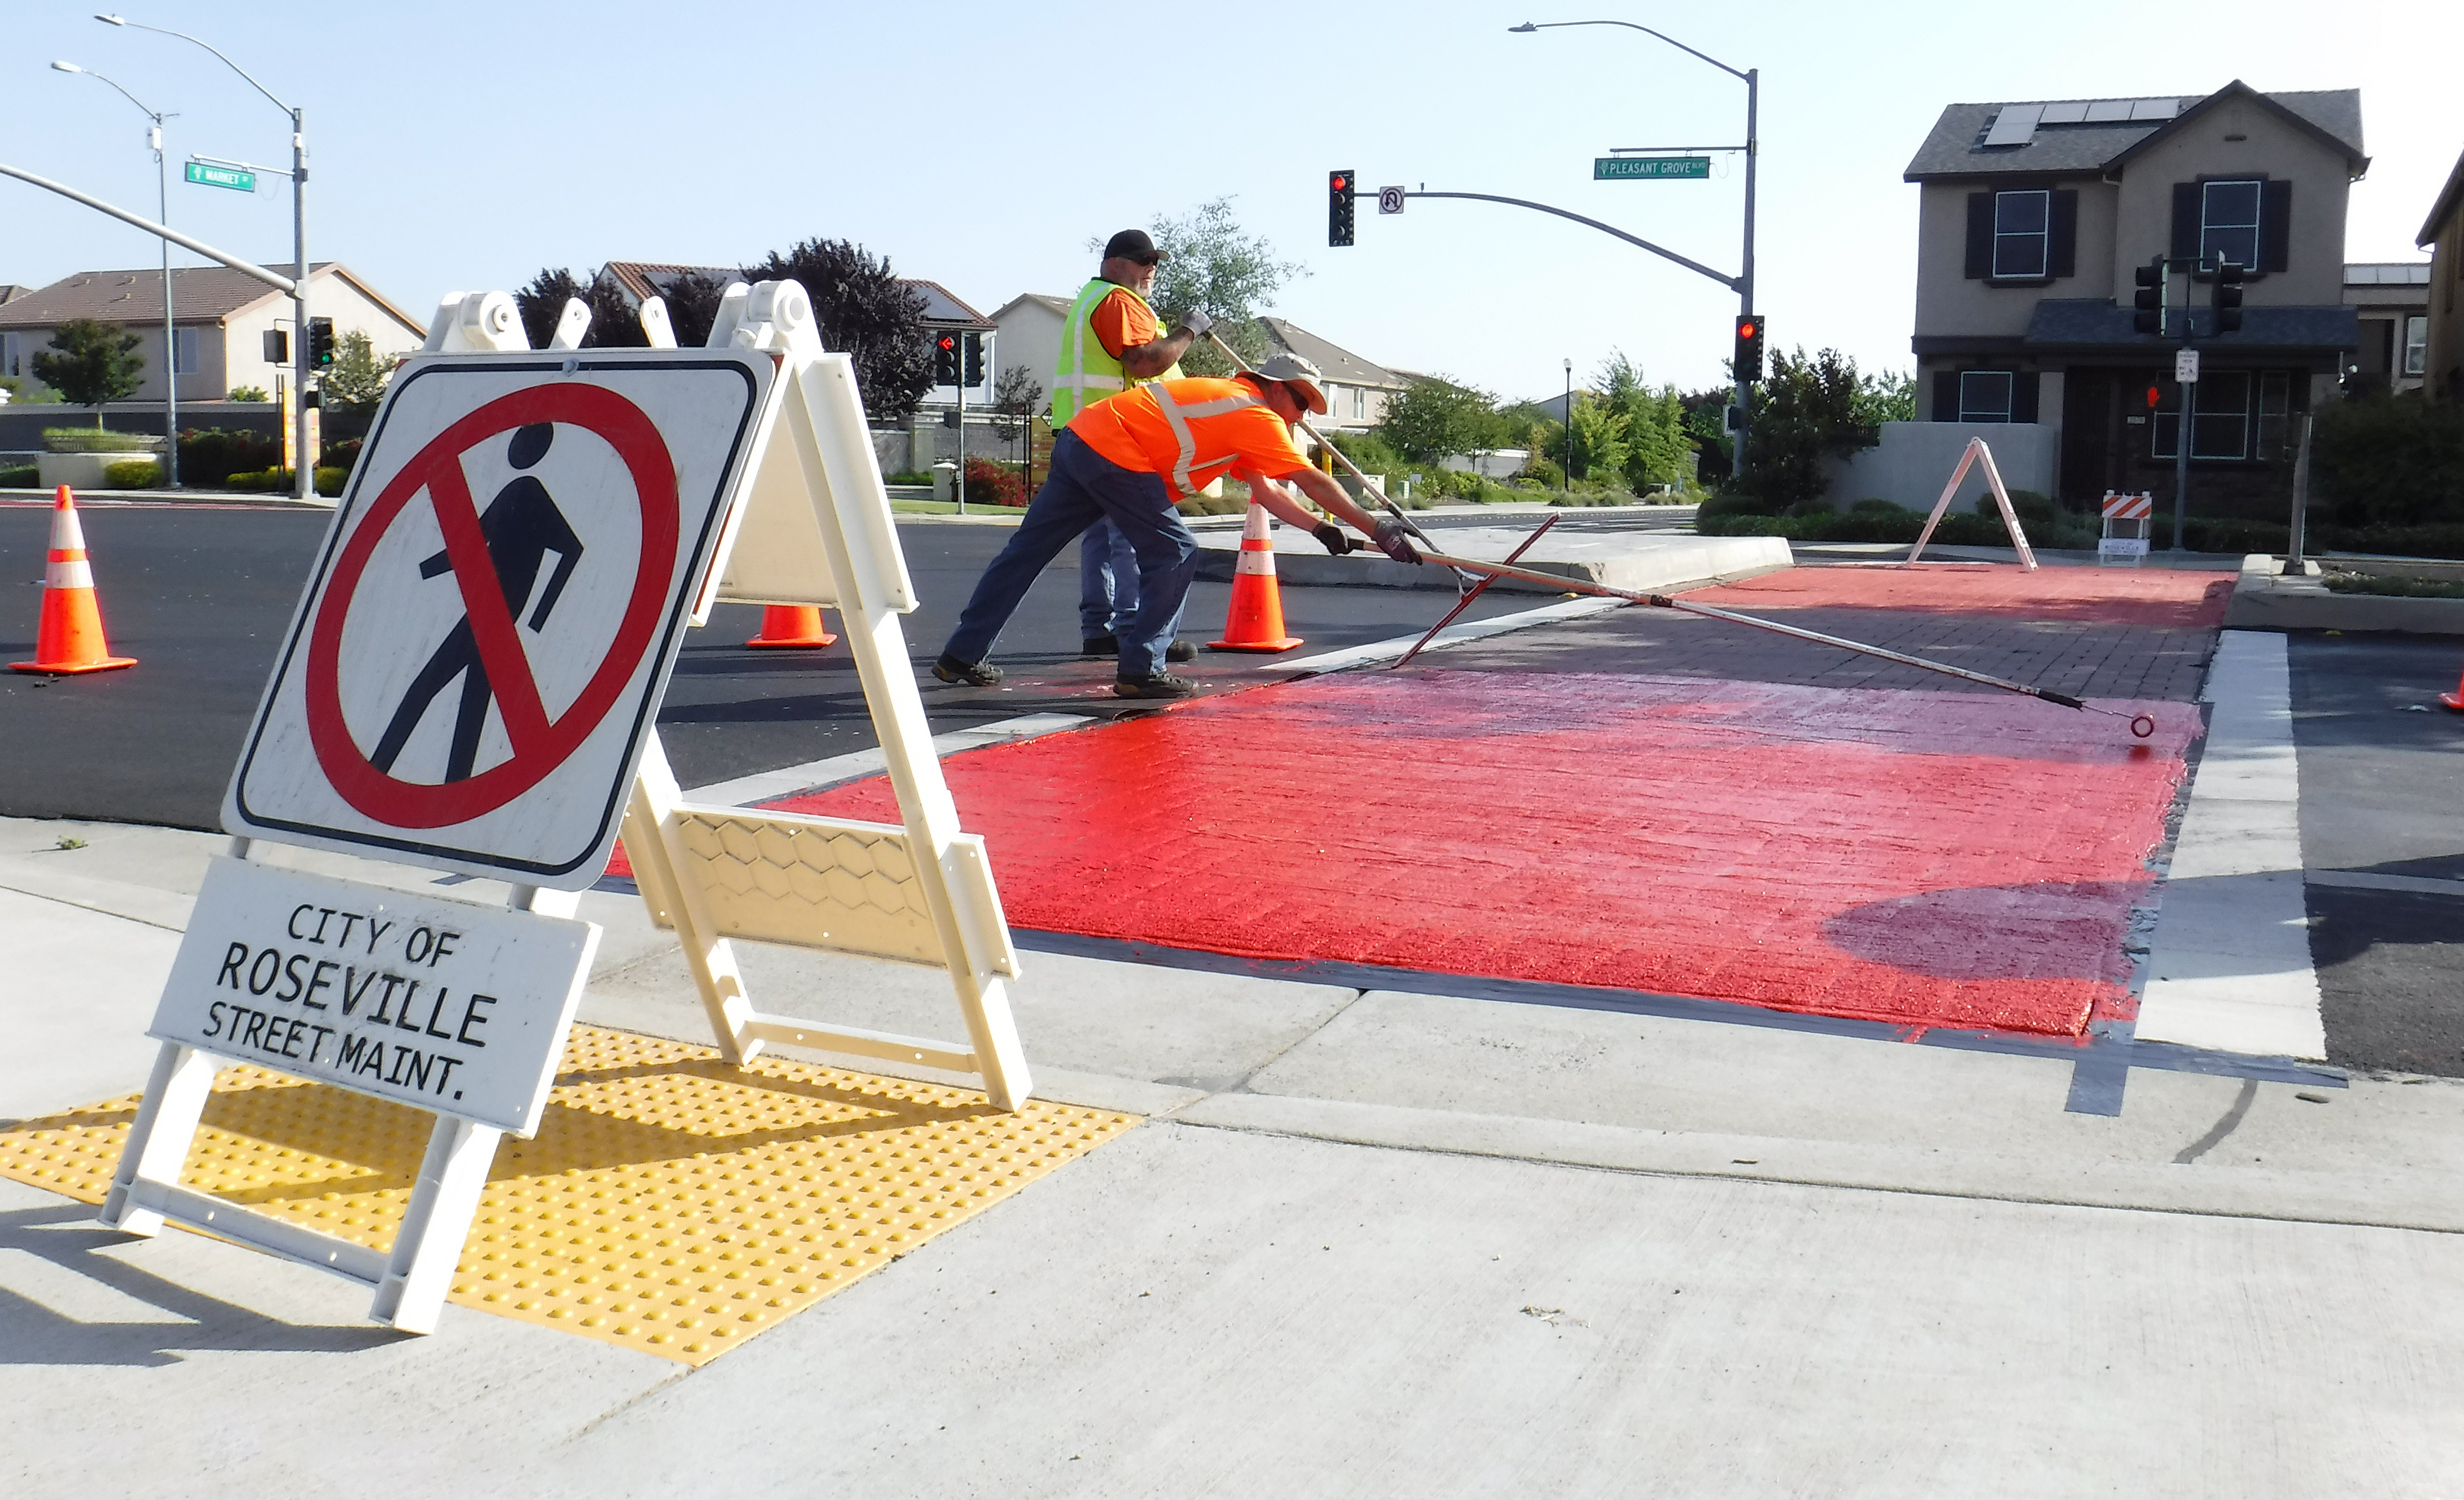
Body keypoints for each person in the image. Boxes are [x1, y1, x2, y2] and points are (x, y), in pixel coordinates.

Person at [934, 353, 1421, 700]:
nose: (1299, 417)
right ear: (1276, 389)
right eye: (1299, 404)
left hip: (1083, 438)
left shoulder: (1233, 404)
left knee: (1026, 552)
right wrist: (1380, 530)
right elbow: (1309, 479)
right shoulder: (1254, 413)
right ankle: (1142, 668)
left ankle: (960, 653)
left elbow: (1269, 492)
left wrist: (1320, 530)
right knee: (1176, 552)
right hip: (1118, 456)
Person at [1050, 229, 1211, 665]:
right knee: (1130, 537)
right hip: (1112, 438)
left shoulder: (1090, 299)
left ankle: (1096, 629)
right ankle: (1130, 626)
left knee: (1098, 538)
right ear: (1115, 263)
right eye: (1143, 261)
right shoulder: (1117, 302)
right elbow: (1146, 362)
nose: (1150, 269)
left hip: (1079, 432)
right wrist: (1189, 330)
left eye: (1153, 262)